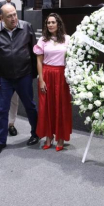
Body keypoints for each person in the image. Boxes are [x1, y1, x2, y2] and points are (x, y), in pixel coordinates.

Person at [0, 4, 39, 156]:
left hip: (24, 76)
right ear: (2, 18)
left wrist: (33, 75)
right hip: (5, 78)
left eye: (14, 14)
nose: (13, 18)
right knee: (2, 110)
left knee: (30, 106)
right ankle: (0, 141)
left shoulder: (27, 27)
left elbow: (34, 52)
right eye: (9, 16)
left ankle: (35, 133)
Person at [34, 13, 72, 151]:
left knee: (61, 106)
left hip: (62, 76)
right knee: (46, 107)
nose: (50, 25)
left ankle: (60, 138)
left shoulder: (67, 39)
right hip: (47, 75)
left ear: (58, 24)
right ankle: (48, 137)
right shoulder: (43, 40)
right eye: (48, 23)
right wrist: (41, 80)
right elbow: (39, 61)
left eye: (53, 22)